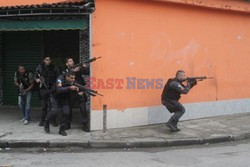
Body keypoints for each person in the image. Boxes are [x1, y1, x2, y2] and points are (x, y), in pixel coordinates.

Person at [44, 71, 80, 136]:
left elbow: (76, 89)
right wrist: (70, 88)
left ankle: (62, 129)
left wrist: (77, 91)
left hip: (64, 97)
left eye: (74, 78)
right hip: (55, 96)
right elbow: (59, 90)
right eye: (71, 78)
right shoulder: (60, 79)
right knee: (54, 111)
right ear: (67, 77)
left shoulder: (73, 81)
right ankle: (46, 121)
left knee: (66, 112)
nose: (73, 80)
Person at [62, 57, 90, 132]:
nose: (72, 62)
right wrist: (73, 71)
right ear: (66, 63)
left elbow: (87, 72)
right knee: (68, 109)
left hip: (79, 91)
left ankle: (85, 125)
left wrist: (85, 67)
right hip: (70, 92)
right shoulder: (64, 71)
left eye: (73, 61)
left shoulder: (78, 69)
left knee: (83, 108)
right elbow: (65, 79)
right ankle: (67, 124)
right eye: (70, 61)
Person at [34, 56, 60, 126]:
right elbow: (35, 76)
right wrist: (37, 79)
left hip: (52, 89)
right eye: (46, 60)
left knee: (52, 106)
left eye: (49, 60)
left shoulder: (54, 67)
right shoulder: (40, 67)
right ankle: (42, 120)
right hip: (43, 89)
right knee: (44, 106)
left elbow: (58, 77)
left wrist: (56, 86)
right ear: (44, 60)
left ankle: (53, 120)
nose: (48, 61)